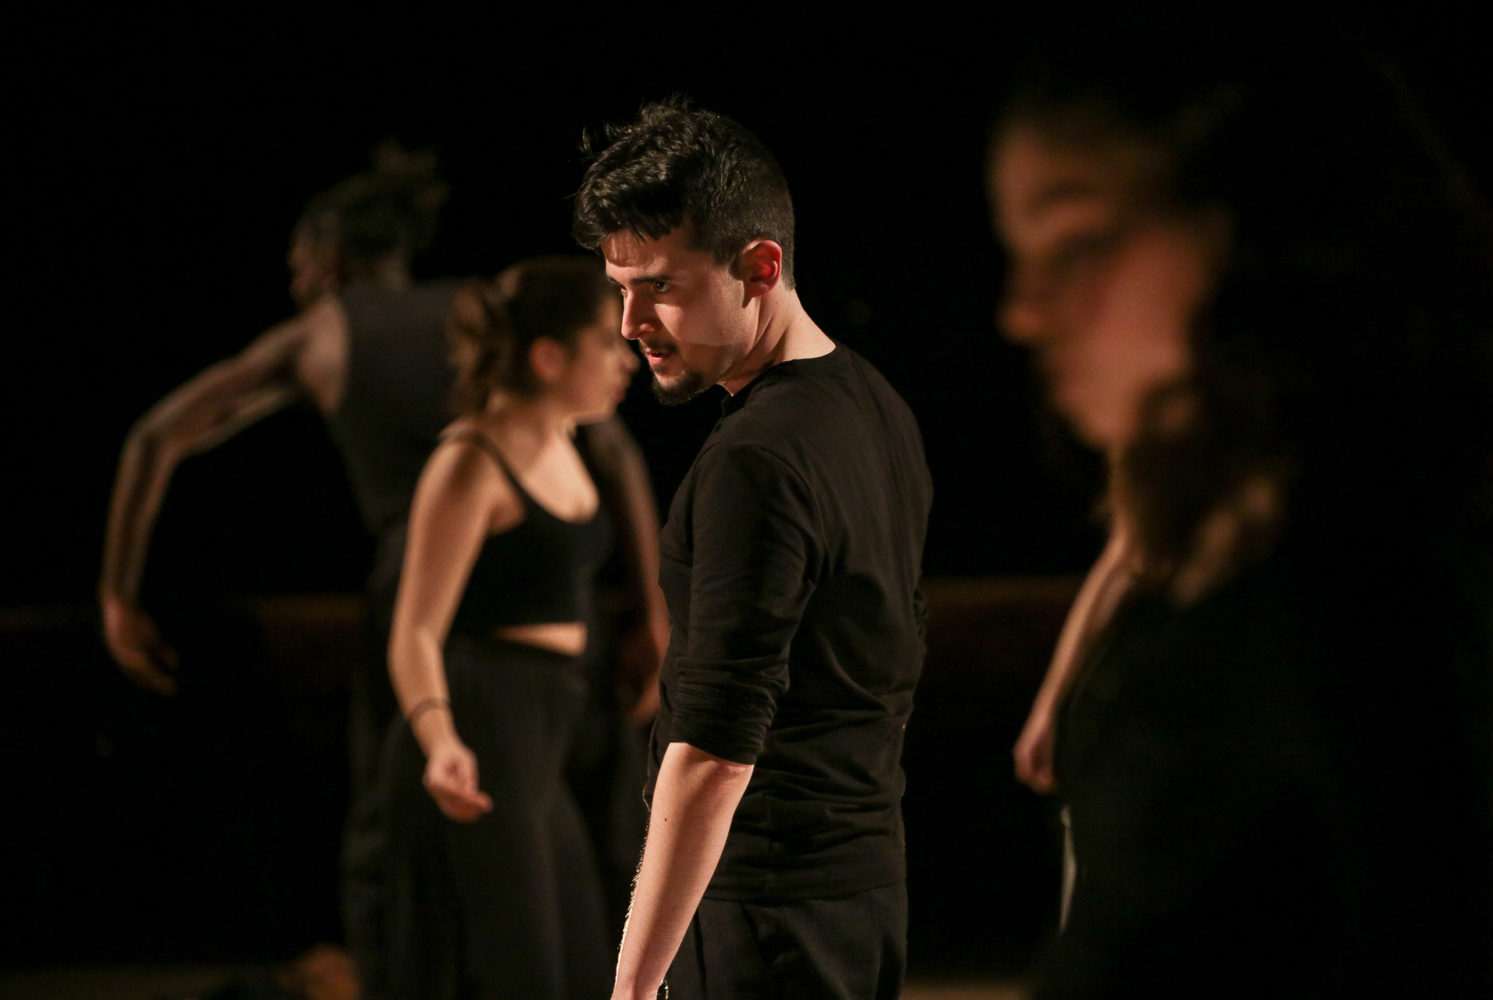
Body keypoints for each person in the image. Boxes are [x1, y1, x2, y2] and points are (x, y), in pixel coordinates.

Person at [989, 17, 1493, 997]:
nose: (1023, 309)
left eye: (1077, 240)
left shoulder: (1373, 590)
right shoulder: (1229, 543)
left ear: (1260, 218)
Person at [98, 151, 665, 987]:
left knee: (421, 862)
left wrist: (118, 594)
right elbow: (617, 458)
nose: (295, 276)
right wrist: (651, 608)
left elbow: (159, 434)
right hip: (479, 618)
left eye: (300, 256)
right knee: (470, 872)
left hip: (486, 608)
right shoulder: (490, 311)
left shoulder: (334, 331)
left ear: (331, 255)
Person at [573, 101, 932, 1000]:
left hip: (765, 915)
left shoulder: (757, 460)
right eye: (619, 288)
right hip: (864, 894)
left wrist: (632, 988)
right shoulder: (877, 404)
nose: (630, 322)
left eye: (659, 284)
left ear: (760, 267)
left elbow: (716, 752)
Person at [374, 256, 636, 999]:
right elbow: (414, 631)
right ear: (548, 358)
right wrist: (440, 741)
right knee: (522, 971)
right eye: (606, 343)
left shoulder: (567, 440)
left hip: (543, 734)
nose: (625, 361)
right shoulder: (471, 460)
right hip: (484, 723)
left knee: (585, 965)